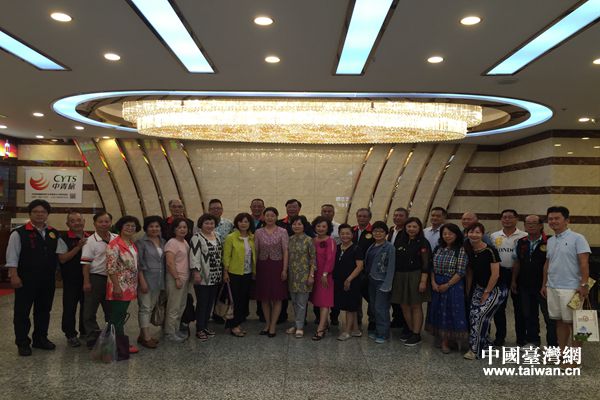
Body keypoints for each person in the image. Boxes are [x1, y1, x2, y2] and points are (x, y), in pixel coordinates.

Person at [6, 200, 60, 356]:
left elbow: (61, 253)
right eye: (36, 211)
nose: (39, 214)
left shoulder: (53, 233)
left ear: (47, 214)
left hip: (47, 279)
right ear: (30, 214)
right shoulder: (19, 233)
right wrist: (14, 275)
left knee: (44, 310)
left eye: (43, 212)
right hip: (25, 279)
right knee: (22, 312)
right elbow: (12, 256)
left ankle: (40, 339)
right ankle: (22, 342)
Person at [541, 206, 590, 368]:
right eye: (550, 219)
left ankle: (575, 359)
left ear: (567, 220)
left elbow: (584, 263)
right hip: (553, 287)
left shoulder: (578, 238)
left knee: (576, 324)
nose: (553, 221)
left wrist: (584, 284)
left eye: (557, 218)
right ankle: (562, 355)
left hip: (572, 288)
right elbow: (548, 264)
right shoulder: (551, 240)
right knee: (560, 322)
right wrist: (544, 284)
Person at [511, 215, 557, 347]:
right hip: (525, 284)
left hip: (545, 285)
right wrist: (513, 280)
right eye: (528, 223)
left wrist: (546, 284)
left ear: (541, 225)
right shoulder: (521, 242)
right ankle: (533, 341)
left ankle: (553, 345)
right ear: (524, 226)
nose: (531, 225)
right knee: (529, 314)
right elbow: (517, 262)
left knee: (550, 317)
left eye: (534, 223)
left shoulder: (550, 241)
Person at [463, 223, 506, 360]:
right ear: (467, 234)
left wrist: (487, 292)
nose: (474, 235)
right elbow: (469, 272)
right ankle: (486, 344)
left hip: (496, 288)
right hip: (479, 287)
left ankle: (475, 350)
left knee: (480, 315)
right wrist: (468, 290)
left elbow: (495, 274)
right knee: (473, 315)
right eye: (471, 232)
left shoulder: (490, 250)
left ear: (482, 234)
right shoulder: (468, 249)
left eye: (477, 232)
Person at [426, 223, 469, 354]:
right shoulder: (438, 248)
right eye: (444, 233)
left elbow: (461, 271)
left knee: (451, 312)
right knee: (438, 311)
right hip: (437, 284)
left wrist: (448, 284)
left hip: (453, 285)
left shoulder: (461, 249)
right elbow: (432, 267)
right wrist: (433, 282)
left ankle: (448, 341)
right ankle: (441, 338)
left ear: (457, 235)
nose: (447, 236)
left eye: (450, 233)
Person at [391, 217, 431, 346]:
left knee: (416, 305)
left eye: (414, 227)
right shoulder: (400, 240)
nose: (411, 229)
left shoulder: (423, 242)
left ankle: (416, 334)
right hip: (400, 276)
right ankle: (411, 329)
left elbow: (426, 264)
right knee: (404, 305)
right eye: (409, 226)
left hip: (416, 276)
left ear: (419, 228)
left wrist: (423, 281)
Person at [106, 215, 141, 361]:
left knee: (120, 316)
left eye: (133, 226)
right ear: (120, 227)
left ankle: (118, 344)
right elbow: (111, 268)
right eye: (127, 225)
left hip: (129, 286)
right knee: (117, 317)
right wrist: (116, 287)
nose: (130, 228)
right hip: (119, 286)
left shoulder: (132, 243)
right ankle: (116, 346)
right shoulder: (114, 244)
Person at [81, 211, 117, 349]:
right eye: (100, 222)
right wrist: (86, 281)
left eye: (106, 221)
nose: (104, 224)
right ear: (95, 224)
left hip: (112, 279)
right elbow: (86, 264)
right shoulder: (90, 241)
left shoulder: (116, 238)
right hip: (96, 278)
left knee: (111, 309)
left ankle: (110, 335)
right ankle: (92, 336)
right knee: (90, 310)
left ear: (111, 223)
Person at [490, 209, 527, 346]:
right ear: (501, 219)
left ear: (516, 219)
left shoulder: (524, 236)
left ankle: (521, 338)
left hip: (519, 274)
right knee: (499, 307)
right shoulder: (494, 236)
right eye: (504, 217)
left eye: (510, 217)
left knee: (520, 308)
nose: (507, 220)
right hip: (500, 273)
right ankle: (500, 337)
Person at [56, 211, 90, 347]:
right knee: (70, 307)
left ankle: (85, 331)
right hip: (71, 279)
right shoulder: (62, 238)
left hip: (88, 278)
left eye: (79, 220)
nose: (77, 223)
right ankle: (70, 334)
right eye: (73, 221)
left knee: (86, 307)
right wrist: (78, 247)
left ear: (84, 222)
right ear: (67, 224)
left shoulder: (90, 237)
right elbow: (62, 259)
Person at [254, 207, 289, 337]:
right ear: (263, 217)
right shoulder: (258, 232)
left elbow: (285, 251)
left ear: (276, 217)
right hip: (262, 266)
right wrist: (254, 269)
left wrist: (284, 269)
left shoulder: (283, 231)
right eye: (267, 215)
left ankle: (273, 325)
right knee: (264, 297)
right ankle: (267, 324)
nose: (269, 218)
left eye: (272, 215)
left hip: (277, 266)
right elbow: (256, 251)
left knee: (277, 297)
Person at [190, 214, 224, 341]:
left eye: (212, 223)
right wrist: (196, 273)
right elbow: (194, 256)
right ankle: (199, 328)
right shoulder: (196, 238)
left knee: (210, 303)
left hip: (215, 275)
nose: (209, 226)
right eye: (207, 223)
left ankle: (205, 326)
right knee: (202, 303)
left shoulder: (217, 236)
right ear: (201, 224)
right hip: (203, 276)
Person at [223, 213, 256, 337]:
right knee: (235, 300)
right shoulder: (231, 237)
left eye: (246, 221)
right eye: (241, 221)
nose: (243, 224)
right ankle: (233, 325)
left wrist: (254, 271)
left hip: (247, 273)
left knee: (243, 299)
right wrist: (225, 272)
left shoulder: (252, 237)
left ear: (249, 224)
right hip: (234, 273)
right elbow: (226, 256)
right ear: (237, 223)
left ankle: (238, 322)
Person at [135, 215, 166, 349]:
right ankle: (146, 338)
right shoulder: (141, 242)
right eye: (151, 226)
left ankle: (143, 335)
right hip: (146, 279)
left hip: (159, 280)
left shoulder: (163, 241)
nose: (154, 229)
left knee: (151, 307)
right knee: (145, 308)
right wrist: (142, 281)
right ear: (146, 228)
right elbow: (139, 263)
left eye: (157, 226)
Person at [364, 221, 395, 344]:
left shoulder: (389, 247)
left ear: (386, 233)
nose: (378, 233)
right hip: (372, 280)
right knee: (373, 306)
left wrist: (387, 285)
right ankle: (377, 329)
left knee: (381, 308)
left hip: (382, 282)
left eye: (381, 231)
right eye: (375, 231)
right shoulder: (372, 246)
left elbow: (391, 267)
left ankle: (383, 333)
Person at [285, 215, 316, 338]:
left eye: (299, 224)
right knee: (294, 302)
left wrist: (311, 275)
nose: (296, 226)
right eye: (294, 224)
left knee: (302, 303)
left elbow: (313, 259)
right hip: (292, 276)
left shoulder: (309, 240)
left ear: (304, 226)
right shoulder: (290, 239)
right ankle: (296, 324)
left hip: (304, 276)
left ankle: (299, 327)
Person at [333, 224, 364, 341]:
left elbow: (359, 266)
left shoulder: (356, 249)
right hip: (339, 281)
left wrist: (349, 279)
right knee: (350, 306)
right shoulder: (337, 247)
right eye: (342, 233)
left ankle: (347, 331)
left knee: (350, 307)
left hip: (352, 282)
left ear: (352, 235)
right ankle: (355, 329)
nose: (345, 236)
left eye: (347, 233)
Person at [163, 218, 191, 342]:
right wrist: (176, 278)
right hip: (175, 278)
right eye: (179, 227)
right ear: (174, 229)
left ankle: (176, 329)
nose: (182, 229)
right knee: (173, 307)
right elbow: (169, 263)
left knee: (181, 306)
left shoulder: (184, 242)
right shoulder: (172, 242)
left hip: (184, 277)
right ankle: (170, 332)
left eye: (184, 227)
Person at [311, 216, 336, 340]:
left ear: (328, 228)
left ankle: (320, 330)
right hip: (314, 274)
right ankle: (325, 324)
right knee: (318, 301)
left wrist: (325, 274)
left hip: (325, 276)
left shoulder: (330, 241)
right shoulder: (312, 240)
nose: (321, 228)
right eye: (318, 226)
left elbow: (330, 259)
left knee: (324, 303)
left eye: (324, 226)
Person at [353, 207, 375, 331]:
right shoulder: (352, 230)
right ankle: (357, 320)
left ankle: (372, 320)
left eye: (365, 216)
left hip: (369, 271)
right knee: (356, 297)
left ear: (369, 218)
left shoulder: (374, 232)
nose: (362, 218)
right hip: (354, 270)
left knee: (371, 297)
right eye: (360, 216)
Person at [387, 207, 409, 330]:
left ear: (406, 217)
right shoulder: (391, 230)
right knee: (394, 295)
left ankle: (406, 323)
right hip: (391, 268)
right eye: (395, 215)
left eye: (401, 216)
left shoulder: (408, 231)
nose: (397, 218)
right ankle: (397, 319)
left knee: (403, 296)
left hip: (403, 269)